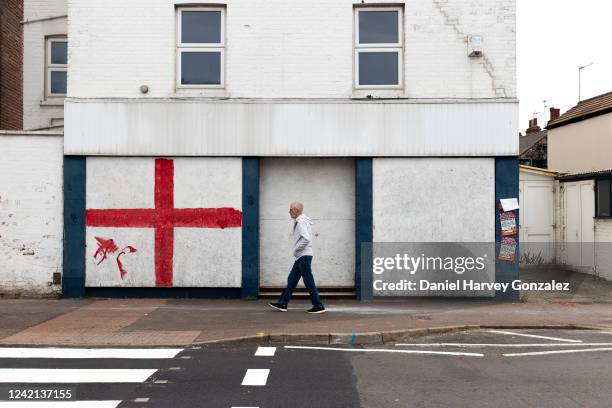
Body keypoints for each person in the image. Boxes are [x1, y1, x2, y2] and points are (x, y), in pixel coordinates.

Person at [269, 201, 326, 314]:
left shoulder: (300, 222)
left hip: (303, 256)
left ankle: (318, 306)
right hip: (301, 256)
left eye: (290, 209)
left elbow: (306, 239)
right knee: (292, 280)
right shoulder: (301, 221)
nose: (289, 212)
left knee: (308, 281)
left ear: (296, 210)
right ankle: (282, 303)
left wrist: (296, 249)